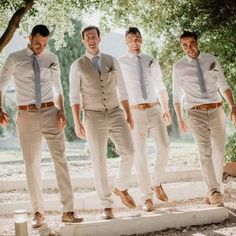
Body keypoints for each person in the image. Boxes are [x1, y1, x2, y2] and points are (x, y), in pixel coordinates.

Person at [0, 25, 83, 228]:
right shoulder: (14, 58)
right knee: (31, 164)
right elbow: (0, 85)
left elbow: (57, 87)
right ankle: (38, 212)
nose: (40, 47)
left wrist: (61, 110)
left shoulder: (51, 58)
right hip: (26, 115)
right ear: (29, 37)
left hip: (50, 113)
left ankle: (68, 211)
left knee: (60, 160)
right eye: (37, 43)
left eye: (45, 44)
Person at [69, 26, 136, 219]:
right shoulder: (77, 65)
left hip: (116, 112)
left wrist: (128, 114)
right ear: (83, 41)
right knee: (99, 161)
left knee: (129, 152)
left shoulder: (112, 60)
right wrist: (77, 121)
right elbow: (74, 96)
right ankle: (106, 205)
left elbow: (122, 89)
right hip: (92, 116)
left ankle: (120, 187)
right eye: (87, 37)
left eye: (94, 36)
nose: (91, 39)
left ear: (99, 39)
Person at [172, 31, 236, 205]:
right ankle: (213, 190)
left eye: (191, 43)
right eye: (184, 45)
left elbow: (223, 84)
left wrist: (232, 106)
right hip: (195, 112)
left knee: (219, 151)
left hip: (216, 110)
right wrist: (179, 118)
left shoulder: (211, 59)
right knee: (204, 151)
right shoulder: (178, 67)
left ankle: (215, 190)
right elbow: (176, 95)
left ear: (197, 42)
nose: (189, 48)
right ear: (181, 46)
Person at [118, 27, 171, 212]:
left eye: (138, 38)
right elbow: (120, 90)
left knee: (164, 146)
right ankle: (147, 198)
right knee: (140, 155)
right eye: (131, 38)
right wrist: (124, 113)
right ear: (126, 40)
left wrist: (166, 108)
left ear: (141, 39)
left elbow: (160, 84)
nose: (135, 41)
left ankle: (156, 182)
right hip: (134, 112)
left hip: (154, 108)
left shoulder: (151, 60)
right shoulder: (120, 62)